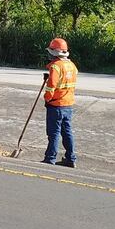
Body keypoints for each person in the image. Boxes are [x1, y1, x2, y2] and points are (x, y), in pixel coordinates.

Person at [42, 37, 78, 167]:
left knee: (54, 132)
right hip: (68, 104)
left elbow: (51, 86)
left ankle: (50, 158)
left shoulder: (56, 67)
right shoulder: (72, 66)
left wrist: (47, 99)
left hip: (56, 105)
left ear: (54, 53)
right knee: (67, 132)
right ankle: (71, 158)